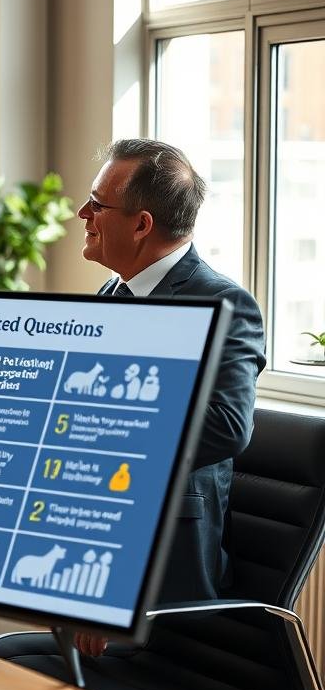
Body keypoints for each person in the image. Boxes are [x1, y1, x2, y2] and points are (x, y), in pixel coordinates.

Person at [75, 138, 266, 656]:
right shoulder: (109, 295)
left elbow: (226, 425)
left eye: (97, 203)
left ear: (141, 225)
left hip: (164, 559)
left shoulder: (224, 302)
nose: (83, 213)